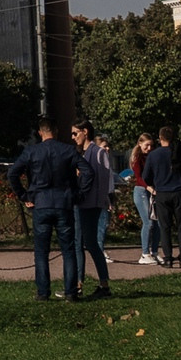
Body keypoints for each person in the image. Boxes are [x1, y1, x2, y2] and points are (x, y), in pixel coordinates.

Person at [10, 120, 84, 300]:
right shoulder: (68, 150)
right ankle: (71, 292)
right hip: (63, 203)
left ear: (40, 132)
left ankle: (43, 292)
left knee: (41, 251)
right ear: (56, 131)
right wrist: (78, 193)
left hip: (40, 203)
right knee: (68, 250)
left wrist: (24, 195)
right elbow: (87, 172)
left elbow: (12, 173)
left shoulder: (32, 151)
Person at [72, 120, 113, 299]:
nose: (73, 137)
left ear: (85, 132)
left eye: (75, 133)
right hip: (81, 203)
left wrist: (102, 200)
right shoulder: (84, 153)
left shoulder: (97, 153)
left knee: (90, 243)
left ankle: (103, 284)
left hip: (91, 203)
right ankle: (78, 283)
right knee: (78, 242)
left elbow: (104, 179)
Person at [145, 126, 181, 268]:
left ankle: (168, 258)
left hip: (162, 192)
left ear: (160, 138)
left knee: (165, 227)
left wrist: (154, 182)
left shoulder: (154, 155)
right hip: (179, 191)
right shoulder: (179, 152)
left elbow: (146, 176)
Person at [128, 132, 159, 265]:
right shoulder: (137, 158)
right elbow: (139, 178)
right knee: (148, 222)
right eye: (146, 145)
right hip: (142, 191)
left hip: (152, 190)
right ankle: (145, 253)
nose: (149, 148)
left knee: (157, 222)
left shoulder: (151, 156)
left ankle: (155, 252)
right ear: (140, 144)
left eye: (151, 145)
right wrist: (148, 187)